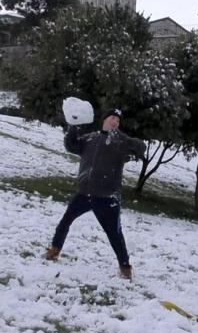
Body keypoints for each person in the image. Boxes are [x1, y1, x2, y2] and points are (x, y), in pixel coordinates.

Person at [45, 108, 146, 280]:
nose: (115, 122)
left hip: (107, 197)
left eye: (118, 120)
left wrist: (123, 138)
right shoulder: (90, 138)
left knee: (114, 234)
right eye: (112, 118)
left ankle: (125, 267)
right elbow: (71, 145)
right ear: (105, 119)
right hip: (84, 194)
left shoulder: (119, 142)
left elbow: (141, 147)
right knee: (65, 221)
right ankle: (54, 250)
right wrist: (73, 127)